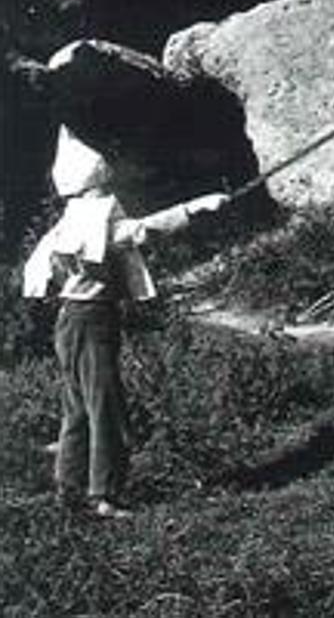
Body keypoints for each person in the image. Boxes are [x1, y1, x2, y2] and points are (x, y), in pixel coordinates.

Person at [23, 125, 229, 519]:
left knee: (80, 408)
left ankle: (69, 490)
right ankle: (103, 496)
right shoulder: (90, 223)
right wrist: (196, 208)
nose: (110, 201)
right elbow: (141, 230)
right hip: (91, 319)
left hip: (71, 320)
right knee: (106, 408)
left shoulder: (67, 224)